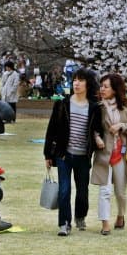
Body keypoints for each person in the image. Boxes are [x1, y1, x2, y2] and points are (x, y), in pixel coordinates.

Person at [43, 68, 102, 236]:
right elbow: (51, 130)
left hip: (83, 155)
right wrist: (48, 154)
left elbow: (98, 129)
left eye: (81, 80)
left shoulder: (94, 108)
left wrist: (98, 139)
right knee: (64, 189)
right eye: (74, 80)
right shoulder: (62, 104)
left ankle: (80, 216)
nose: (76, 83)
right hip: (64, 154)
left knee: (82, 191)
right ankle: (64, 223)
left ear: (88, 84)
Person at [91, 72, 127, 235]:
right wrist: (96, 137)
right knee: (104, 190)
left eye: (106, 86)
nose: (102, 89)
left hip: (121, 153)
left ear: (115, 89)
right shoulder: (97, 106)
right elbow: (91, 127)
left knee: (120, 191)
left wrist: (121, 126)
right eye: (101, 86)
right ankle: (105, 223)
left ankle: (121, 215)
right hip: (103, 153)